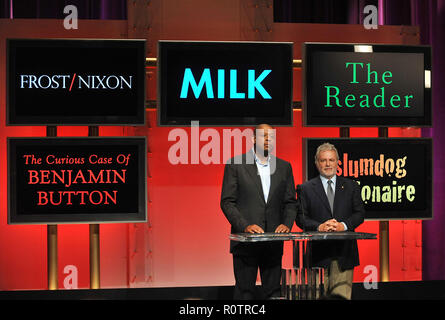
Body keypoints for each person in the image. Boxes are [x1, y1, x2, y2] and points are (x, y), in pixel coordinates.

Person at [220, 124, 297, 300]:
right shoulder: (235, 165)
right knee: (244, 293)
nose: (269, 139)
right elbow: (227, 202)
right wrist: (245, 226)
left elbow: (291, 202)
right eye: (264, 136)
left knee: (273, 293)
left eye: (272, 136)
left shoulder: (284, 167)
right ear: (254, 139)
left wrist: (286, 224)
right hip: (245, 243)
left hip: (273, 242)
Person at [296, 142, 364, 300]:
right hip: (318, 255)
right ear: (316, 163)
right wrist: (319, 226)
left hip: (344, 254)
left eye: (331, 160)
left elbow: (359, 214)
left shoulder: (351, 186)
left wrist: (343, 226)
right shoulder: (305, 188)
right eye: (323, 160)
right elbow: (301, 218)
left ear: (337, 162)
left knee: (342, 297)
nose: (327, 164)